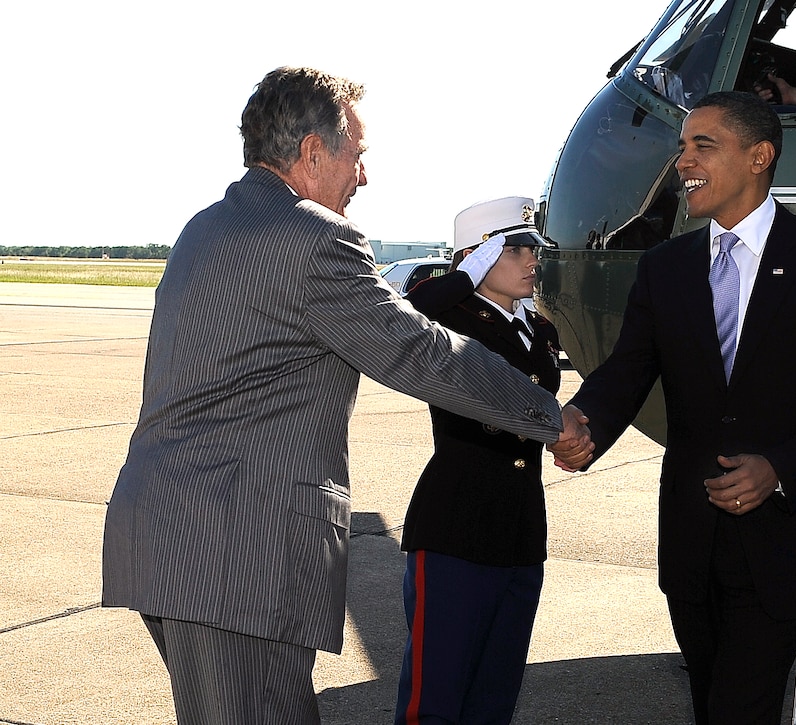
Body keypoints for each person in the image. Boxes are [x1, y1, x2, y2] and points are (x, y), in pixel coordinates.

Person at [100, 67, 569, 725]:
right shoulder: (314, 237)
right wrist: (548, 415)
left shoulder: (205, 228)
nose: (364, 175)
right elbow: (418, 351)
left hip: (176, 536)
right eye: (359, 155)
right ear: (314, 153)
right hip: (240, 550)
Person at [549, 91, 796, 725]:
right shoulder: (665, 267)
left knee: (741, 706)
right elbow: (625, 373)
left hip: (787, 542)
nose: (683, 162)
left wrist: (780, 467)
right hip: (693, 544)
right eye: (683, 147)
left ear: (759, 155)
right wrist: (584, 424)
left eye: (702, 145)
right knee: (714, 702)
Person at [393, 196, 561, 725]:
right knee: (435, 698)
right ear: (479, 256)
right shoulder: (450, 316)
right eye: (516, 248)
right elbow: (402, 316)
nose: (533, 259)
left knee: (495, 693)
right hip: (456, 529)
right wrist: (463, 278)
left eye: (534, 247)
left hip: (518, 529)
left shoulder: (538, 330)